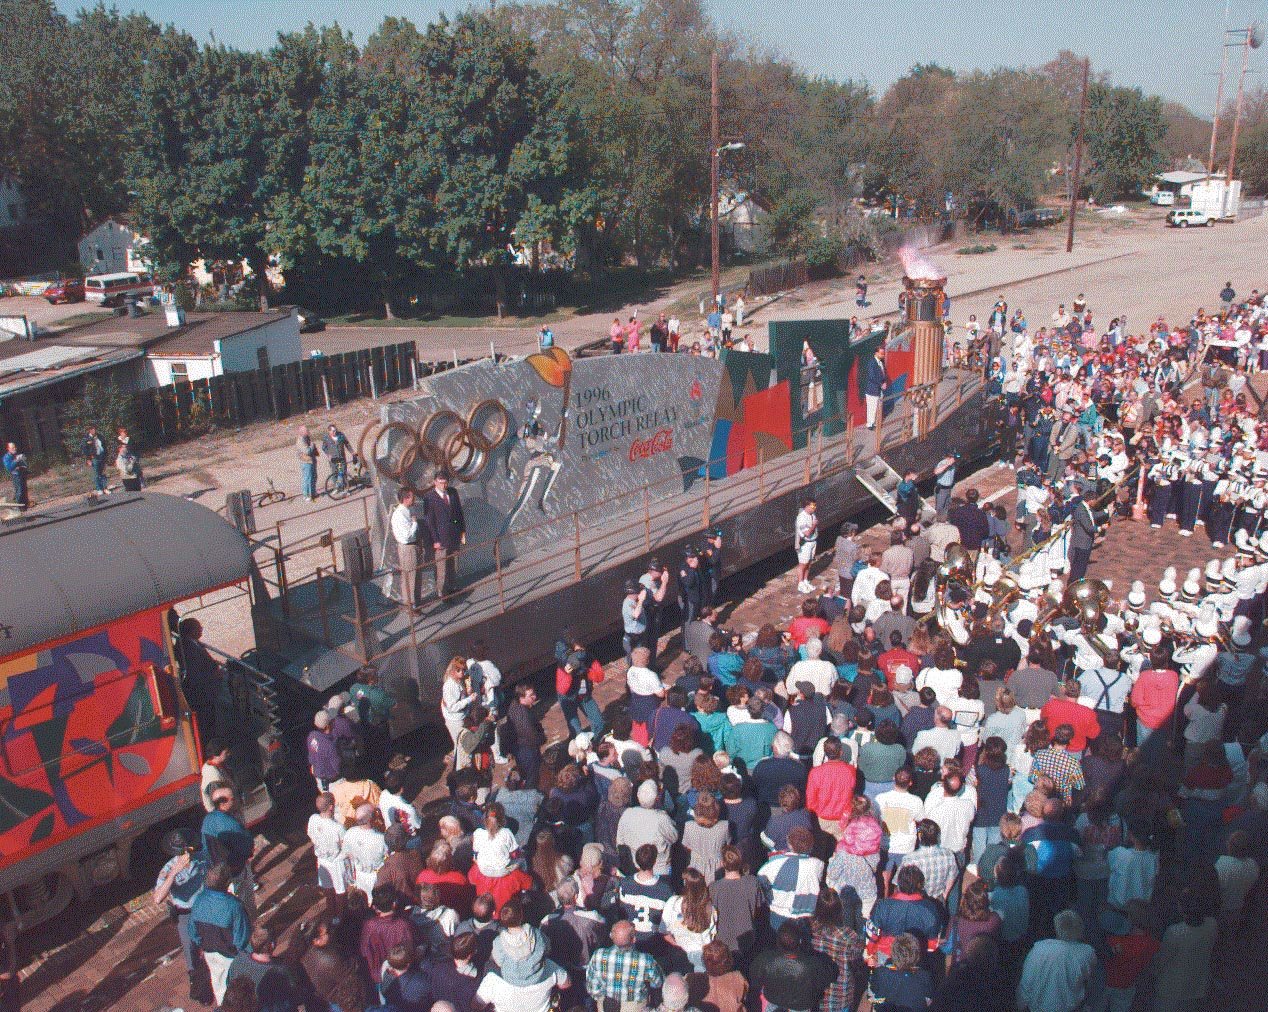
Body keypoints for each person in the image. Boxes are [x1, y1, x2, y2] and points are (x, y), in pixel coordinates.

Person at [153, 827, 212, 1005]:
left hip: (205, 908)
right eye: (184, 851)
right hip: (186, 914)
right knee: (191, 953)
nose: (188, 854)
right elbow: (157, 898)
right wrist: (174, 873)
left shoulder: (202, 858)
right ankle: (201, 989)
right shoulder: (169, 869)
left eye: (190, 850)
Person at [189, 862, 252, 1006]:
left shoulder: (199, 901)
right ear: (227, 883)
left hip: (210, 953)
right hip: (231, 956)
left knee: (218, 986)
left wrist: (202, 945)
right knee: (239, 992)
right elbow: (241, 937)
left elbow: (192, 932)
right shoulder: (234, 905)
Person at [1016, 909, 1096, 1012]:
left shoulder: (1039, 949)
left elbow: (1026, 983)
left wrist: (1021, 1005)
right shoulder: (1087, 953)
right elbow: (1088, 981)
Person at [748, 921, 837, 1012]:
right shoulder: (814, 963)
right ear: (800, 941)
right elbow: (830, 978)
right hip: (802, 1008)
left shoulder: (764, 959)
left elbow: (754, 982)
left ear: (777, 940)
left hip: (773, 1004)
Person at [586, 920, 665, 1012]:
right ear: (634, 939)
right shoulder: (645, 960)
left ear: (611, 936)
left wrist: (602, 999)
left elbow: (592, 987)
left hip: (606, 1005)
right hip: (634, 1007)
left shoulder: (598, 955)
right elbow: (658, 983)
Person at [808, 888, 865, 1012]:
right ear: (840, 910)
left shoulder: (806, 929)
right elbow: (857, 960)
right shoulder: (849, 937)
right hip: (839, 996)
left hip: (813, 993)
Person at [421, 469, 466, 599]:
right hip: (441, 539)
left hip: (454, 535)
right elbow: (430, 522)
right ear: (435, 482)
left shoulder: (452, 493)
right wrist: (436, 540)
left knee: (453, 564)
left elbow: (458, 515)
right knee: (442, 568)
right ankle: (442, 592)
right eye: (440, 483)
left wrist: (461, 532)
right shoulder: (430, 498)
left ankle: (452, 587)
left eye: (445, 483)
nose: (443, 485)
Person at [867, 932, 933, 1012]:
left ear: (892, 953)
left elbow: (871, 997)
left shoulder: (881, 973)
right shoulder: (925, 976)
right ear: (917, 954)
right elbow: (928, 1001)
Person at [307, 792, 348, 917]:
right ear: (331, 807)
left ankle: (331, 915)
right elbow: (345, 846)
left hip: (321, 861)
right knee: (340, 893)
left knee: (328, 891)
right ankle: (341, 918)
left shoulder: (313, 819)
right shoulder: (338, 828)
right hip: (336, 863)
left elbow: (310, 836)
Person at [391, 488, 421, 613]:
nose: (413, 499)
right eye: (411, 497)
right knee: (410, 576)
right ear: (405, 499)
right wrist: (414, 523)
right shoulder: (400, 514)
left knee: (413, 575)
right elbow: (406, 535)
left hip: (412, 546)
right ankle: (411, 605)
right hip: (407, 547)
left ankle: (413, 602)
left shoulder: (408, 510)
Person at [322, 422, 355, 494]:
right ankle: (336, 488)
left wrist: (352, 452)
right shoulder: (326, 438)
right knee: (335, 474)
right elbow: (324, 448)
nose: (335, 432)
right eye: (333, 431)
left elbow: (347, 444)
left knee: (342, 473)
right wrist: (328, 454)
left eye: (335, 430)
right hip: (333, 460)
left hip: (341, 459)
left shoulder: (341, 435)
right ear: (329, 431)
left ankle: (346, 489)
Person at [795, 499, 819, 594]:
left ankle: (805, 581)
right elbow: (807, 533)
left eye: (815, 506)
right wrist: (813, 525)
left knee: (809, 562)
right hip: (805, 543)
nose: (815, 508)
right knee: (803, 564)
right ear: (807, 506)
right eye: (813, 506)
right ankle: (800, 584)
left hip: (813, 542)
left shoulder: (812, 515)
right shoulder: (802, 518)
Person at [865, 346, 887, 430]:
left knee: (878, 406)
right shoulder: (872, 363)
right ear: (876, 353)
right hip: (872, 389)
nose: (882, 355)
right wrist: (880, 384)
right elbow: (872, 376)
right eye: (881, 353)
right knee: (872, 407)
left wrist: (884, 382)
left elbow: (883, 373)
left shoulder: (881, 362)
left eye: (883, 354)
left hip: (879, 389)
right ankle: (870, 424)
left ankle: (875, 422)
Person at [83, 424, 109, 495]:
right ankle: (99, 489)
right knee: (96, 473)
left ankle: (105, 488)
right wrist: (88, 459)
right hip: (94, 457)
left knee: (103, 472)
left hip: (102, 456)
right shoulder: (86, 439)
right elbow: (85, 450)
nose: (93, 430)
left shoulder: (100, 436)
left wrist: (106, 457)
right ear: (89, 430)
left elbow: (104, 446)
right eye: (92, 429)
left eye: (94, 429)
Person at [296, 424, 319, 501]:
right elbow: (307, 451)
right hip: (306, 462)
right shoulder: (300, 441)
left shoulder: (307, 438)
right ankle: (306, 495)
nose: (308, 432)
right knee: (307, 478)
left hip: (312, 460)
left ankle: (313, 492)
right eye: (306, 431)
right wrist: (312, 446)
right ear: (301, 432)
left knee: (314, 476)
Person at [3, 442, 28, 509]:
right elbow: (9, 468)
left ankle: (24, 506)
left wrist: (23, 464)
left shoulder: (16, 455)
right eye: (12, 448)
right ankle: (18, 507)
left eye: (15, 447)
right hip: (16, 475)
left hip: (21, 474)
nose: (14, 449)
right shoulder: (7, 457)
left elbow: (23, 464)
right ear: (8, 449)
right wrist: (16, 461)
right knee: (19, 491)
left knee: (24, 490)